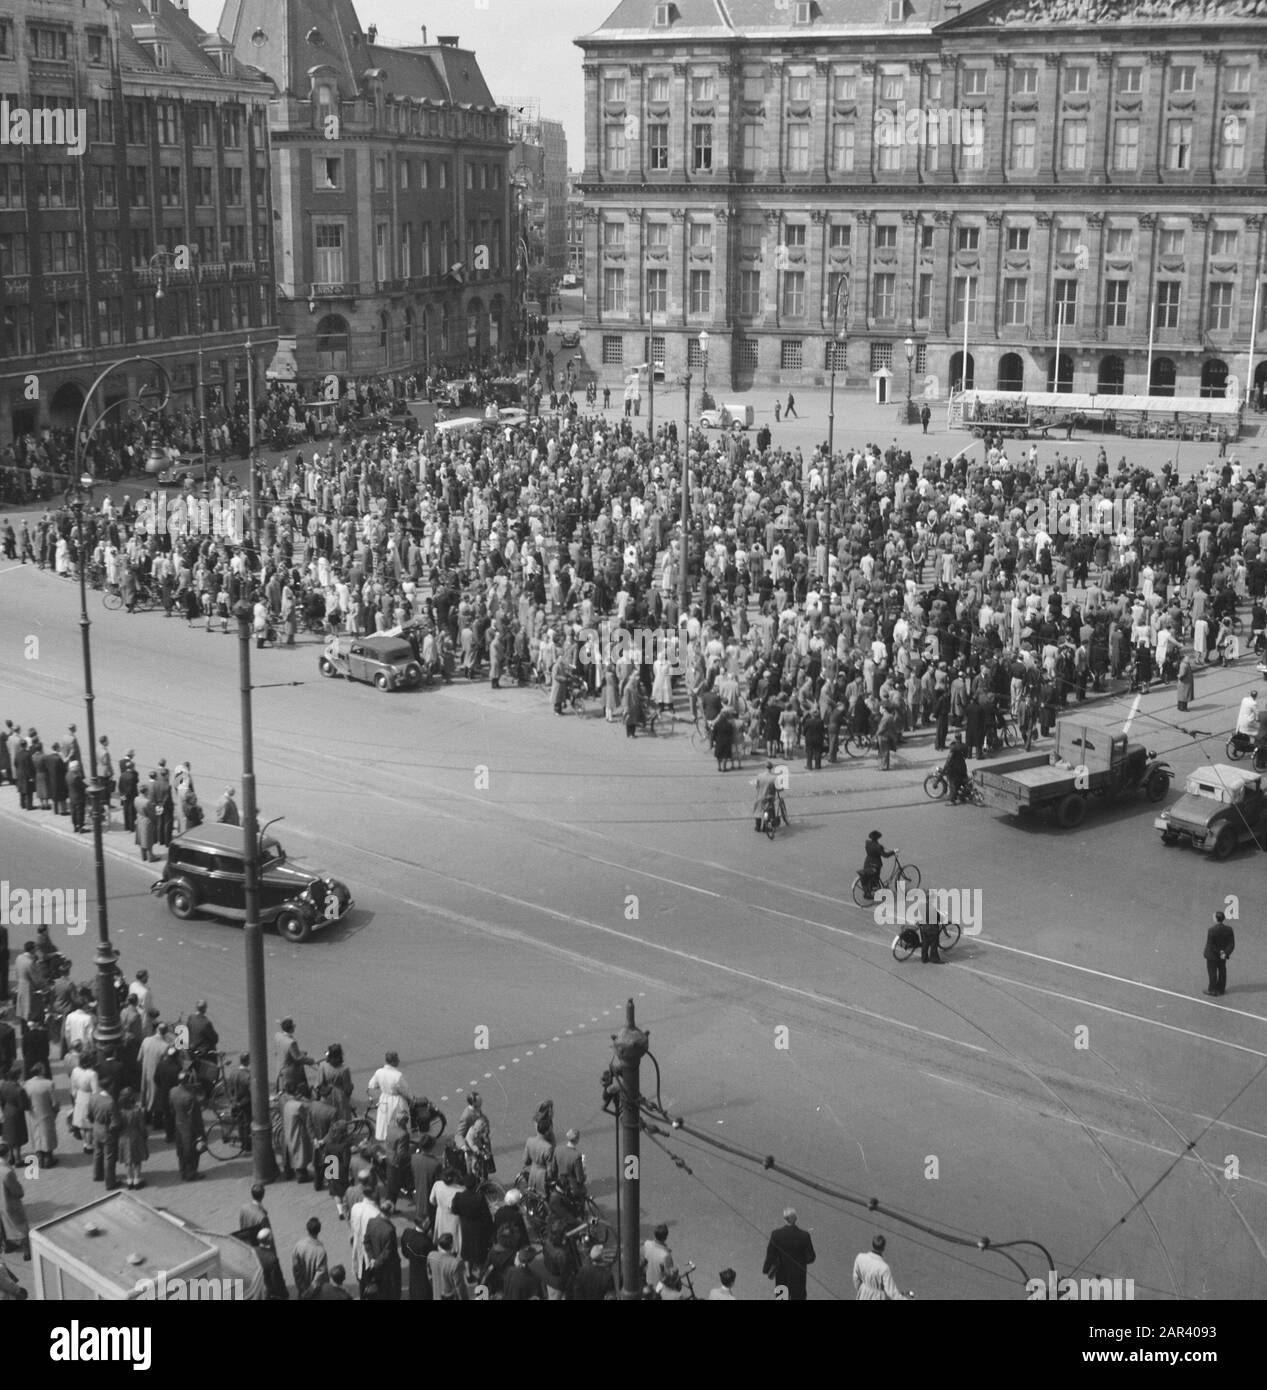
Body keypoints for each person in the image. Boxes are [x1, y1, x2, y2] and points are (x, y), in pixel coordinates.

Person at [762, 1207, 816, 1301]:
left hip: (781, 1276)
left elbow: (771, 1254)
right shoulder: (804, 1236)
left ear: (784, 1219)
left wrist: (766, 1269)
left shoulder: (776, 1234)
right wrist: (801, 1260)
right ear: (796, 1218)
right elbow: (811, 1257)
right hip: (799, 1277)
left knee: (782, 1298)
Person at [362, 1198, 402, 1301]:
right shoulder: (390, 1230)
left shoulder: (371, 1222)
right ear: (390, 1212)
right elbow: (388, 1251)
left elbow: (366, 1242)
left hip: (375, 1261)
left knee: (380, 1288)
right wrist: (377, 1262)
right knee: (392, 1290)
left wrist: (372, 1259)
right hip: (388, 1265)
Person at [367, 1050, 412, 1141]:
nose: (399, 1061)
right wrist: (411, 1098)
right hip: (397, 1102)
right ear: (393, 1061)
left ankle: (387, 1140)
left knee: (384, 1122)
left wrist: (383, 1087)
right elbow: (406, 1091)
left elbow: (372, 1085)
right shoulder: (398, 1076)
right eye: (397, 1059)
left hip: (384, 1099)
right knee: (399, 1123)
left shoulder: (379, 1072)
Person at [169, 1070, 204, 1180]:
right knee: (192, 1151)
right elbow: (195, 1117)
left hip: (178, 1124)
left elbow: (171, 1108)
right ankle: (191, 1173)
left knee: (180, 1149)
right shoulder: (190, 1097)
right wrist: (200, 1133)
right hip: (189, 1128)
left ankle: (183, 1170)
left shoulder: (173, 1091)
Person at [852, 1234, 907, 1300]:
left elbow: (856, 1279)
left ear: (872, 1244)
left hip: (863, 1293)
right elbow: (891, 1292)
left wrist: (862, 1290)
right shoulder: (884, 1268)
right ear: (883, 1248)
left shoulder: (860, 1257)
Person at [0, 1141, 30, 1260]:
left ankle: (9, 1246)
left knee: (4, 1226)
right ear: (7, 1154)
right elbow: (17, 1192)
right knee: (21, 1226)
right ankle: (27, 1251)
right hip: (10, 1204)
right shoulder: (6, 1171)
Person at [116, 1087, 148, 1189]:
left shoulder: (119, 1112)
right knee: (137, 1160)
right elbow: (142, 1127)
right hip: (135, 1137)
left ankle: (129, 1180)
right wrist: (145, 1135)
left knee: (127, 1161)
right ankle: (137, 1180)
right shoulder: (137, 1111)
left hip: (123, 1138)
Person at [292, 1216, 329, 1299]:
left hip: (302, 1290)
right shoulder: (321, 1250)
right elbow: (320, 1274)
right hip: (315, 1293)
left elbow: (296, 1270)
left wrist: (302, 1288)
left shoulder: (298, 1246)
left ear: (307, 1229)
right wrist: (310, 1291)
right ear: (319, 1230)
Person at [400, 1212, 435, 1300]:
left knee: (414, 1288)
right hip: (424, 1272)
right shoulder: (426, 1243)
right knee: (424, 1291)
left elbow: (404, 1252)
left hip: (413, 1267)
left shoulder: (407, 1233)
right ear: (423, 1224)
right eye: (427, 1223)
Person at [427, 1231, 468, 1301]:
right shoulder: (454, 1263)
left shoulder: (431, 1256)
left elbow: (430, 1277)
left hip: (436, 1295)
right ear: (451, 1245)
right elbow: (460, 1287)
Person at [1203, 910, 1235, 997]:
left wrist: (1220, 952)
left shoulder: (1211, 930)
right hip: (1223, 956)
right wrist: (1225, 953)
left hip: (1212, 956)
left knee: (1212, 972)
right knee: (1222, 971)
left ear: (1216, 919)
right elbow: (1231, 944)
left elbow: (1211, 945)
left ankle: (1212, 990)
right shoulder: (1229, 929)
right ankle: (1221, 989)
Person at [254, 1228, 289, 1300]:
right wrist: (285, 1294)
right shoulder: (272, 1259)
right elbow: (277, 1281)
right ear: (270, 1239)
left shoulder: (253, 1251)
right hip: (268, 1294)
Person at [861, 829, 894, 897]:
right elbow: (885, 855)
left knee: (868, 876)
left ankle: (867, 891)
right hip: (876, 864)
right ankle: (874, 890)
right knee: (876, 877)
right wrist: (893, 852)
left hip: (867, 862)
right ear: (878, 838)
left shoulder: (867, 842)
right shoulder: (878, 846)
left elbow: (873, 847)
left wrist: (880, 847)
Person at [641, 1223, 675, 1288]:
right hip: (660, 1288)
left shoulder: (647, 1244)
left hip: (648, 1282)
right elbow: (670, 1275)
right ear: (665, 1238)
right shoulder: (666, 1256)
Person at [752, 759, 780, 832]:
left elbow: (757, 786)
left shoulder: (760, 776)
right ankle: (766, 827)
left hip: (760, 797)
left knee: (758, 811)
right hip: (769, 798)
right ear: (771, 768)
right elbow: (778, 788)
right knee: (769, 811)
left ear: (765, 767)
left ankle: (757, 827)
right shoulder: (774, 778)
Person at [943, 738, 970, 805]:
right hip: (963, 768)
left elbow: (948, 762)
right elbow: (966, 755)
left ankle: (952, 800)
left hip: (955, 771)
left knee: (953, 785)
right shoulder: (962, 749)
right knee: (963, 783)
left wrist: (944, 769)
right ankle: (962, 797)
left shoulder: (952, 752)